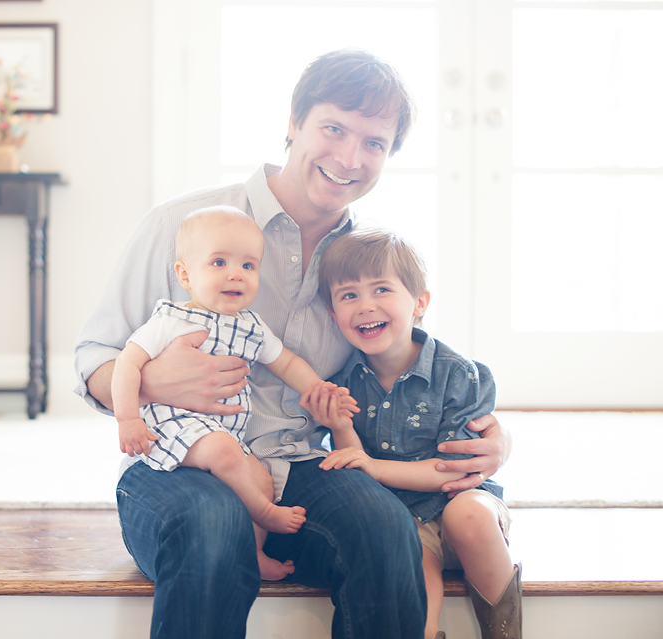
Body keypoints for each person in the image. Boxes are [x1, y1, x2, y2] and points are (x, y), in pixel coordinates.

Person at [75, 48, 510, 639]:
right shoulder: (184, 227)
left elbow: (409, 366)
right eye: (334, 129)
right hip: (181, 464)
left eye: (374, 143)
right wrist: (150, 381)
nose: (350, 157)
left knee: (386, 531)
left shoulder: (361, 264)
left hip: (300, 463)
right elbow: (92, 358)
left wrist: (490, 436)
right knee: (213, 521)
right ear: (292, 123)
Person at [113, 205, 357, 581]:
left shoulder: (251, 327)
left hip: (224, 434)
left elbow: (286, 362)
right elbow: (127, 365)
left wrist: (317, 387)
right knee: (226, 453)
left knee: (260, 477)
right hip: (174, 428)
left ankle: (254, 550)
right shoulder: (171, 320)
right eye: (218, 262)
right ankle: (265, 514)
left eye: (248, 266)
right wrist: (128, 419)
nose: (235, 274)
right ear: (185, 275)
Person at [310, 226, 521, 639]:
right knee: (409, 569)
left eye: (381, 290)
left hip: (463, 502)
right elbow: (353, 462)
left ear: (419, 302)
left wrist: (373, 467)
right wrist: (339, 426)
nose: (365, 305)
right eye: (349, 295)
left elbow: (453, 472)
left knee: (468, 516)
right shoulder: (343, 381)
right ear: (334, 316)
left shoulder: (458, 374)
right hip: (405, 520)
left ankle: (504, 633)